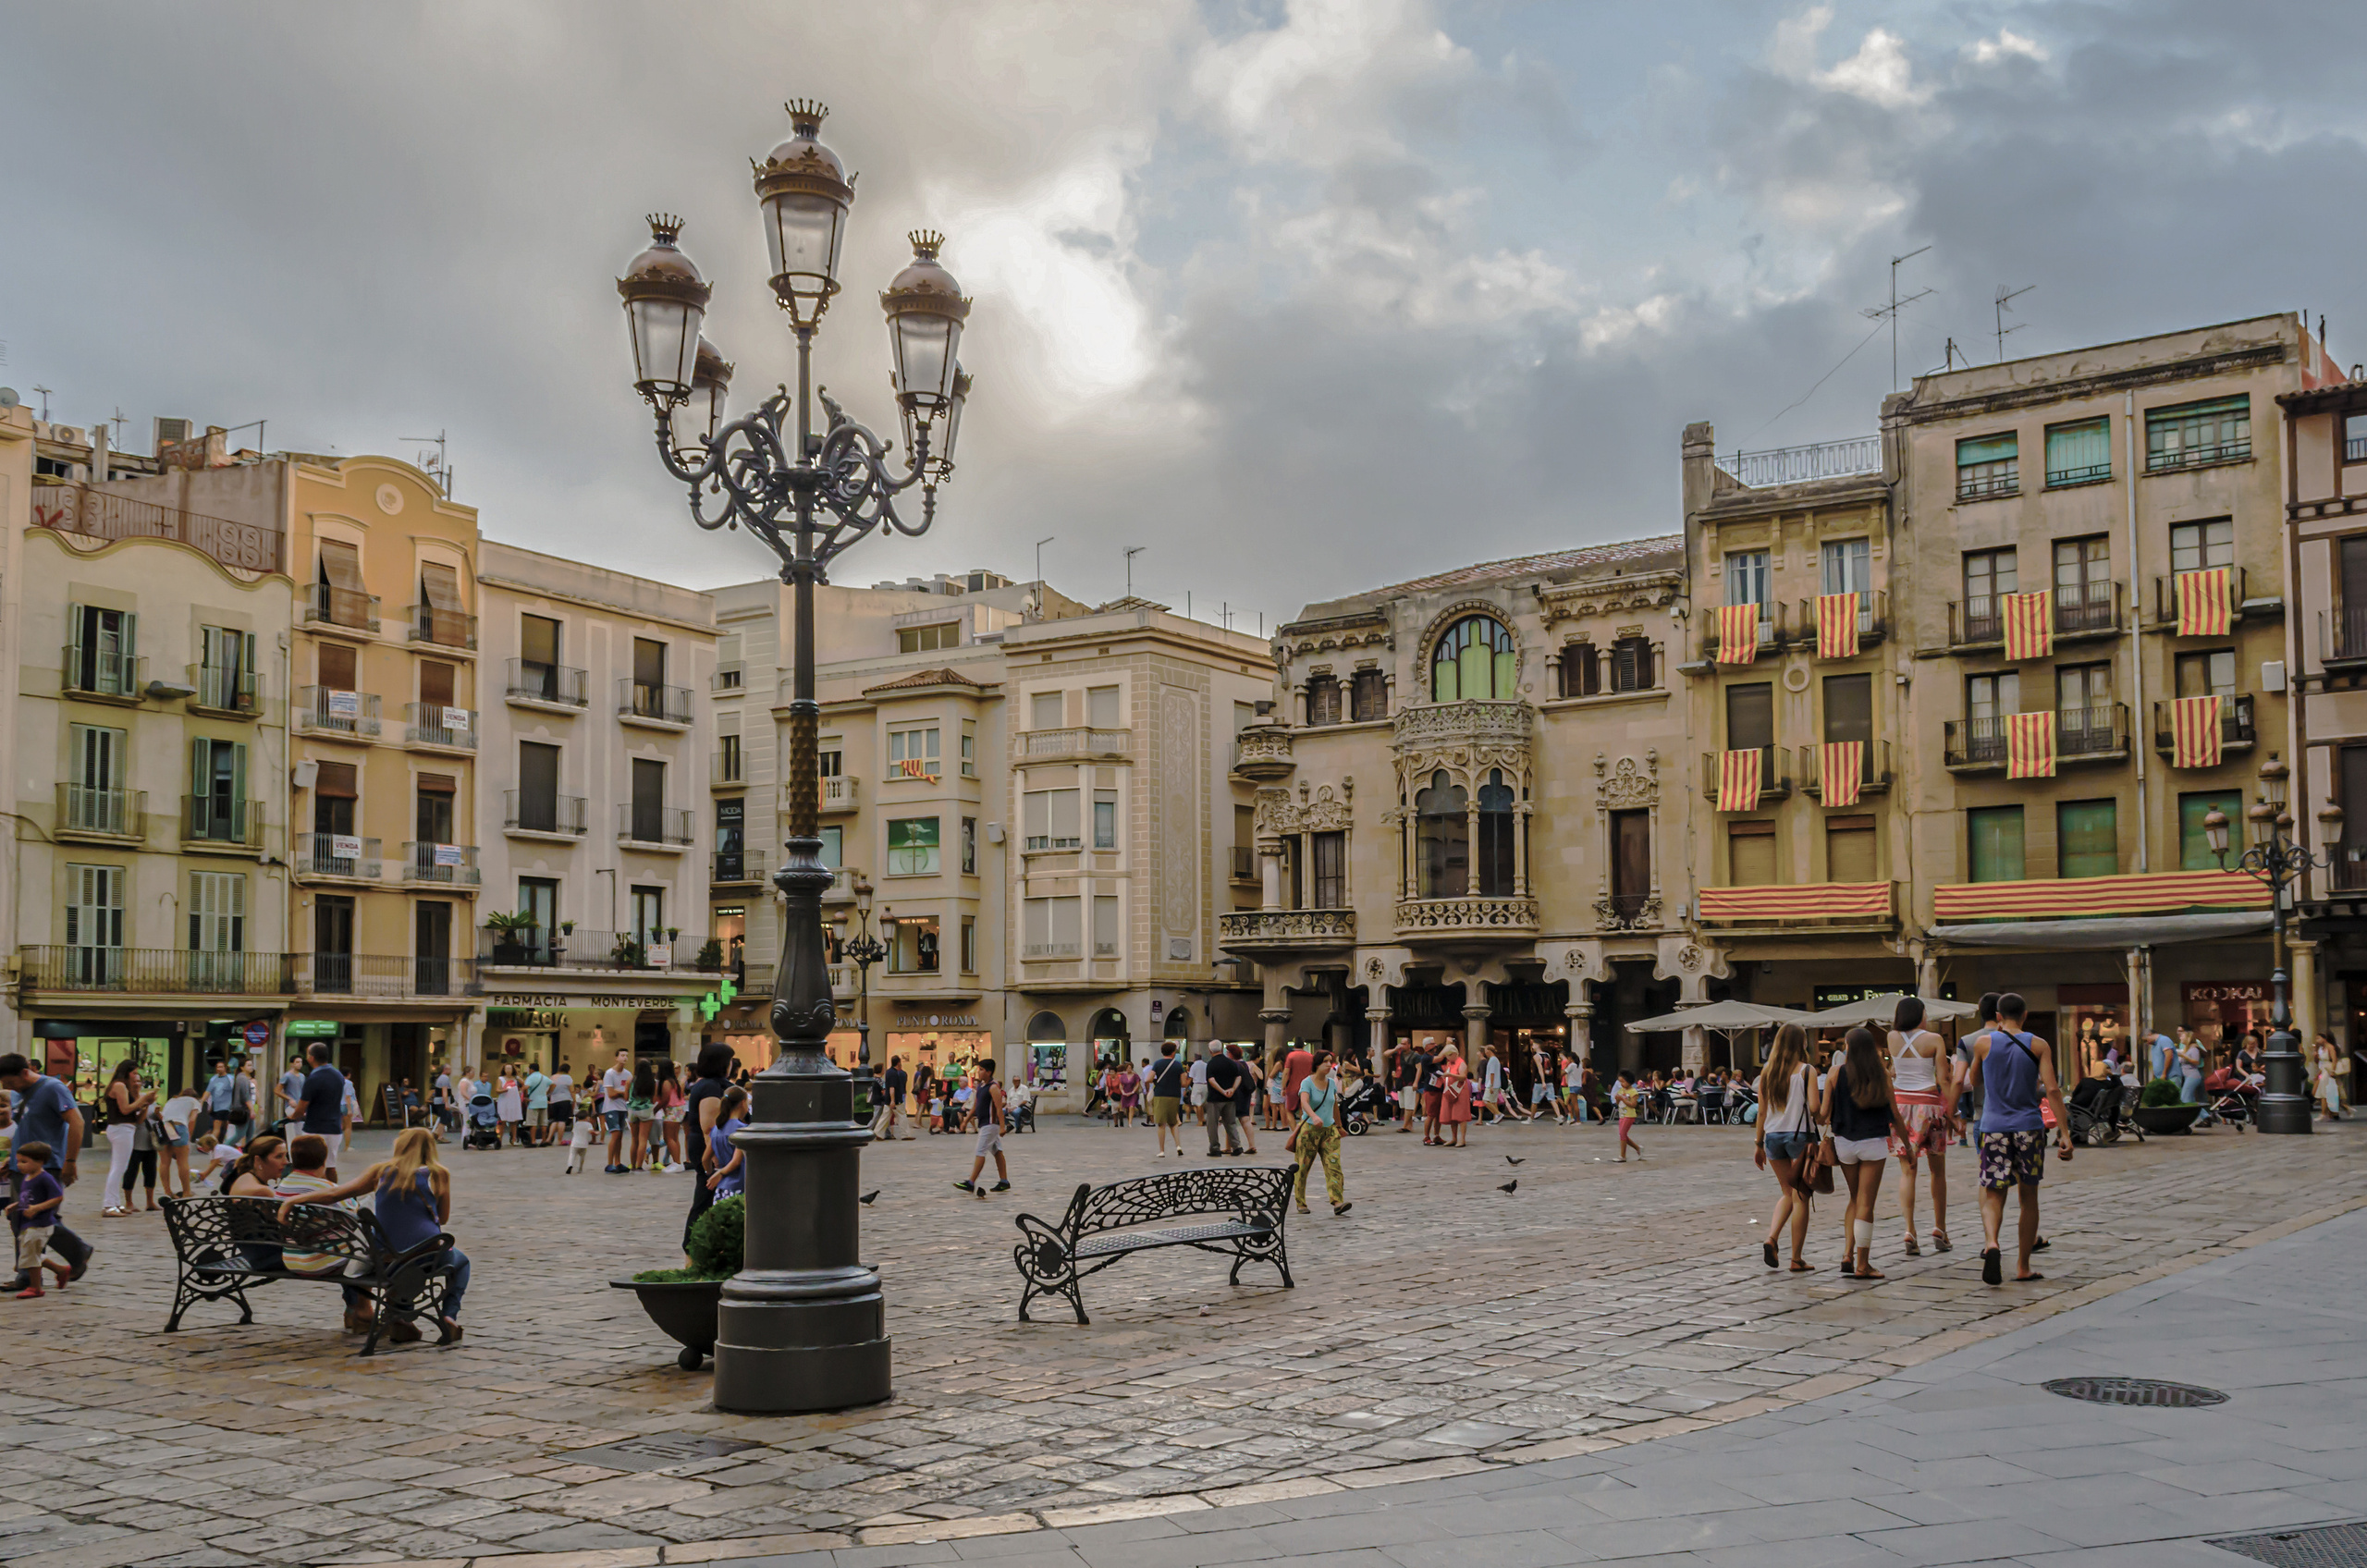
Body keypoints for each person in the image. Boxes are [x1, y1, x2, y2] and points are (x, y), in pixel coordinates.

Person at [279, 1128, 467, 1345]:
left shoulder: (380, 1171)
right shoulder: (439, 1174)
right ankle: (448, 1316)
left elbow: (333, 1194)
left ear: (400, 1145)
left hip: (386, 1256)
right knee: (460, 1263)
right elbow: (442, 1218)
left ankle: (400, 1315)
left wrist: (292, 1201)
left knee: (406, 1259)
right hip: (427, 1253)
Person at [1966, 992, 2073, 1286]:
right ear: (2025, 1015)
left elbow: (1973, 1081)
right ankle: (2023, 1266)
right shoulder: (2038, 1045)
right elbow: (2052, 1089)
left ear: (1998, 1017)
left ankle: (1992, 1243)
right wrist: (2065, 1133)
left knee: (1993, 1193)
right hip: (2029, 1128)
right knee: (2028, 1199)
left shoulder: (1984, 1043)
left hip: (1993, 1128)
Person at [1821, 1026, 1914, 1280]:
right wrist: (1907, 1144)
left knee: (1854, 1198)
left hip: (1844, 1143)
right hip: (1873, 1142)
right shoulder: (1881, 1074)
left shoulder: (1834, 1072)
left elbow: (1822, 1113)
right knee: (1866, 1203)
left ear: (1848, 1048)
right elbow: (1895, 1114)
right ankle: (1863, 1264)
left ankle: (1847, 1254)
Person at [274, 1133, 377, 1336]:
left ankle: (354, 1309)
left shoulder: (283, 1186)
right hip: (322, 1261)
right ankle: (360, 1310)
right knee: (363, 1253)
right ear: (324, 1159)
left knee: (345, 1249)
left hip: (293, 1258)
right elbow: (355, 1218)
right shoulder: (327, 1189)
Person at [1887, 997, 1956, 1256]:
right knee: (1937, 1171)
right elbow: (1943, 1078)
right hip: (1929, 1106)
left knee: (1908, 1171)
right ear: (1920, 1015)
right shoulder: (1934, 1039)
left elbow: (1894, 1070)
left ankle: (1909, 1230)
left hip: (1901, 1108)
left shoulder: (1891, 1037)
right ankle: (1940, 1228)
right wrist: (1954, 1112)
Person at [1754, 1023, 1816, 1272]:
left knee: (1787, 1192)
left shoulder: (1767, 1072)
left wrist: (1758, 1144)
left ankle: (1772, 1238)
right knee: (1801, 1196)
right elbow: (1814, 1108)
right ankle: (1797, 1258)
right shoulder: (1806, 1071)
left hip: (1772, 1137)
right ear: (1802, 1043)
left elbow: (1761, 1111)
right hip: (1799, 1136)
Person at [682, 1043, 733, 1250]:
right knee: (706, 1195)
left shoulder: (714, 1084)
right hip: (708, 1148)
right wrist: (713, 1155)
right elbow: (709, 1126)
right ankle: (692, 1247)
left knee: (712, 1196)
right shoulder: (710, 1087)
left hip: (711, 1146)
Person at [1291, 1052, 1352, 1217]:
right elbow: (1304, 1102)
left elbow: (1334, 1106)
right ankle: (1300, 1202)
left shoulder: (1332, 1083)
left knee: (1334, 1166)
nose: (1329, 1065)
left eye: (1330, 1062)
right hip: (1309, 1130)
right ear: (1317, 1064)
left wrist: (1339, 1126)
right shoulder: (1307, 1082)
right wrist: (1313, 1115)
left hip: (1329, 1131)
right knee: (1302, 1167)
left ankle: (1337, 1202)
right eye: (1325, 1062)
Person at [8, 1145, 69, 1298]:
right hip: (27, 1223)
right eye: (18, 1161)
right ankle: (61, 1270)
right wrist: (16, 1206)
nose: (19, 1165)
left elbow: (57, 1197)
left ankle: (35, 1288)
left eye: (24, 1161)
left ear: (40, 1162)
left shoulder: (45, 1178)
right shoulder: (27, 1178)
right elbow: (27, 1198)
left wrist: (37, 1208)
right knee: (30, 1253)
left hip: (40, 1223)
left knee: (30, 1254)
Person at [100, 1062, 155, 1218]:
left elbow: (137, 1119)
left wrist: (144, 1104)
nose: (136, 1076)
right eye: (134, 1073)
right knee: (118, 1167)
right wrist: (142, 1099)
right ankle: (109, 1204)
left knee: (120, 1166)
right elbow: (125, 1109)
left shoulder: (124, 1087)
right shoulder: (119, 1085)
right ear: (127, 1072)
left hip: (126, 1128)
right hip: (121, 1128)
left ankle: (115, 1202)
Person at [290, 1043, 350, 1181]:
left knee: (312, 1167)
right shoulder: (338, 1075)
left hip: (315, 1128)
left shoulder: (313, 1078)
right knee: (330, 1166)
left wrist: (293, 1116)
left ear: (311, 1058)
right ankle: (334, 1193)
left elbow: (302, 1106)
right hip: (334, 1127)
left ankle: (315, 1196)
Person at [954, 1060, 1011, 1197]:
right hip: (984, 1123)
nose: (978, 1072)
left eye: (981, 1070)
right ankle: (1004, 1181)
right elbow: (975, 1106)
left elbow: (998, 1108)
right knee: (997, 1151)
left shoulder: (993, 1087)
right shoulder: (981, 1086)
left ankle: (971, 1182)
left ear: (989, 1072)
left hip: (990, 1124)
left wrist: (1003, 1126)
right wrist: (966, 1121)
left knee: (980, 1151)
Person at [1206, 1042, 1250, 1157]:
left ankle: (1215, 1148)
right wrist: (1232, 1089)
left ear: (1210, 1051)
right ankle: (1236, 1146)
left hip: (1214, 1099)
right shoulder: (1231, 1063)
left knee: (1212, 1124)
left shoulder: (1211, 1064)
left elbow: (1211, 1080)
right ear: (1221, 1049)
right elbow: (1238, 1077)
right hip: (1231, 1099)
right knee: (1230, 1123)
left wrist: (1222, 1091)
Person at [705, 1085, 750, 1199]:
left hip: (722, 1188)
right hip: (739, 1186)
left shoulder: (716, 1129)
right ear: (743, 1103)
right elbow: (736, 1161)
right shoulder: (742, 1129)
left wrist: (711, 1173)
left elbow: (705, 1158)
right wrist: (720, 1174)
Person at [1147, 1041, 1188, 1157]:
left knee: (1161, 1124)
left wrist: (1157, 1081)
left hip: (1161, 1094)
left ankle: (1162, 1150)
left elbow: (1148, 1079)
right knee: (1173, 1122)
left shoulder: (1157, 1063)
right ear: (1173, 1052)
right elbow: (1184, 1083)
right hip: (1174, 1095)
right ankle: (1178, 1145)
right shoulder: (1178, 1065)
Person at [158, 1084, 198, 1199]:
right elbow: (192, 1119)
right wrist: (188, 1137)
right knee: (182, 1162)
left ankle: (168, 1191)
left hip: (163, 1127)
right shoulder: (194, 1101)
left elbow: (162, 1116)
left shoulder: (172, 1100)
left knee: (164, 1162)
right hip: (179, 1126)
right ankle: (186, 1192)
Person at [600, 1049, 632, 1173]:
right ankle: (609, 1163)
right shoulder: (609, 1074)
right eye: (622, 1055)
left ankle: (617, 1162)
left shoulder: (628, 1074)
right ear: (616, 1058)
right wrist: (621, 1092)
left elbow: (627, 1095)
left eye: (626, 1056)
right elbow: (611, 1093)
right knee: (615, 1134)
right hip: (611, 1108)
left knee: (620, 1137)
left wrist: (620, 1092)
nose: (625, 1058)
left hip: (622, 1108)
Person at [1439, 1046, 1472, 1147]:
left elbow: (1463, 1077)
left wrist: (1451, 1075)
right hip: (1450, 1092)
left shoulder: (1461, 1063)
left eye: (1449, 1056)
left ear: (1454, 1054)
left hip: (1460, 1091)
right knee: (1452, 1116)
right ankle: (1454, 1138)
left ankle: (1462, 1139)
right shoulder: (1449, 1063)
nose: (1448, 1058)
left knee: (1460, 1115)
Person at [2313, 1033, 2347, 1120]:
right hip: (2323, 1070)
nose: (2317, 1040)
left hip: (2328, 1070)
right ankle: (2336, 1110)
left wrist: (2332, 1071)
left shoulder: (2330, 1047)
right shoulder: (2320, 1048)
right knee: (2320, 1092)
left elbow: (2334, 1060)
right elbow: (2318, 1062)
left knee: (2324, 1092)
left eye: (2319, 1038)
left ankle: (2324, 1113)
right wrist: (2316, 1056)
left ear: (2324, 1039)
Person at [1612, 1072, 1644, 1160]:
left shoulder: (1633, 1092)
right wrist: (1617, 1099)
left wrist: (1623, 1099)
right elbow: (1618, 1103)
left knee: (1622, 1134)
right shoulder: (1622, 1090)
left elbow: (1633, 1104)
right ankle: (1638, 1148)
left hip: (1629, 1115)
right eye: (1620, 1082)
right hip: (1622, 1114)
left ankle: (1622, 1156)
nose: (1622, 1084)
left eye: (1623, 1082)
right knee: (1623, 1135)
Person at [277, 1052, 308, 1142]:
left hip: (300, 1106)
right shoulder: (287, 1076)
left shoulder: (302, 1076)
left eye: (301, 1062)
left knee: (300, 1130)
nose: (300, 1064)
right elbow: (277, 1090)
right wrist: (289, 1099)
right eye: (297, 1062)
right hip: (291, 1106)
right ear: (292, 1064)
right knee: (292, 1129)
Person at [878, 1056, 911, 1140]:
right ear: (898, 1063)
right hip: (896, 1099)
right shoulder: (894, 1073)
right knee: (902, 1115)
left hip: (888, 1098)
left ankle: (878, 1133)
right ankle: (905, 1134)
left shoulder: (888, 1072)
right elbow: (892, 1088)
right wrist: (893, 1100)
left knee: (885, 1116)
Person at [546, 1061, 574, 1148]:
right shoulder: (568, 1078)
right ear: (568, 1070)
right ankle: (559, 1140)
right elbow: (571, 1090)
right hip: (565, 1100)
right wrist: (574, 1100)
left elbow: (549, 1090)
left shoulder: (553, 1077)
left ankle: (549, 1138)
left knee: (555, 1120)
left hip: (554, 1101)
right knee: (562, 1121)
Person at [523, 1062, 551, 1148]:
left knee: (533, 1123)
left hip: (533, 1102)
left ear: (531, 1069)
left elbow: (525, 1087)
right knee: (543, 1123)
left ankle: (533, 1141)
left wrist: (525, 1096)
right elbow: (553, 1084)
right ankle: (544, 1140)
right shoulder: (544, 1077)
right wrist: (547, 1093)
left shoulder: (530, 1078)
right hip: (543, 1102)